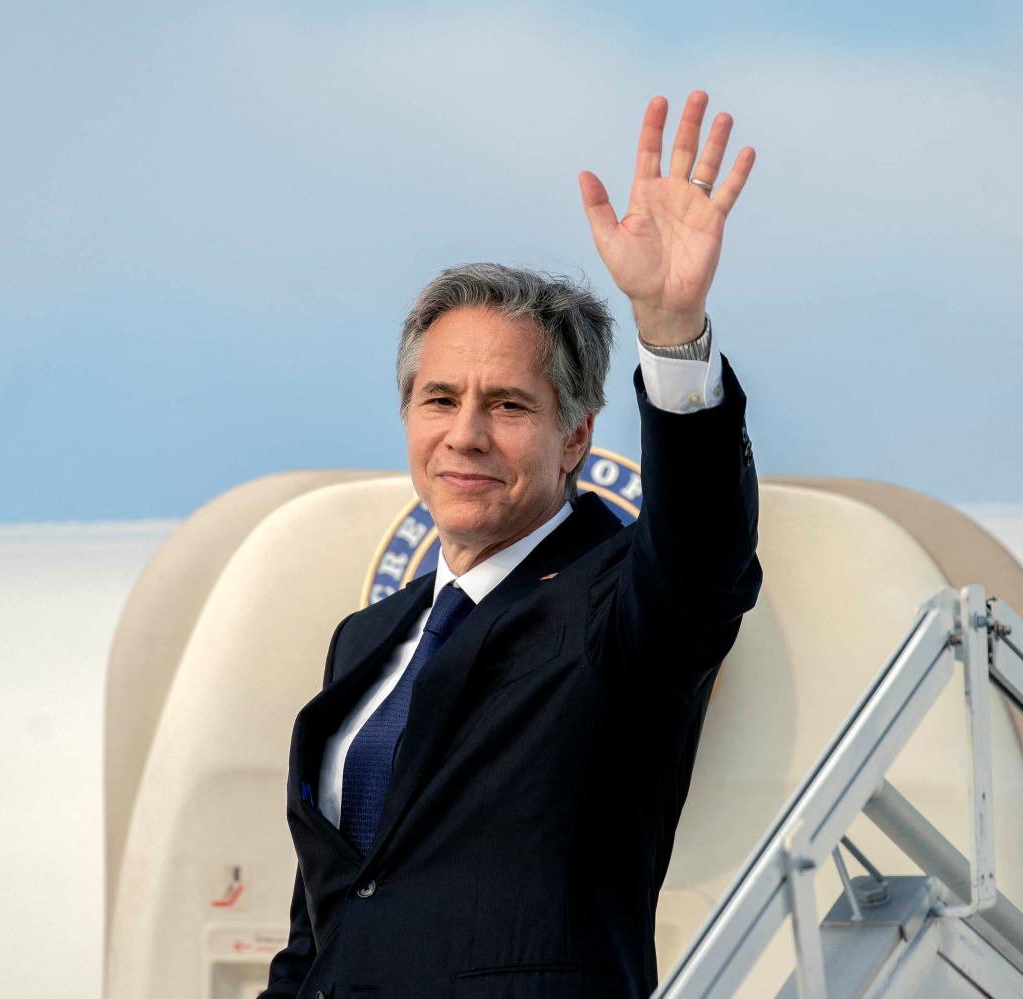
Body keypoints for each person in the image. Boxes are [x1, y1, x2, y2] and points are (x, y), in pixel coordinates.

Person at [259, 90, 763, 999]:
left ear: (575, 437)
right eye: (441, 399)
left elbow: (700, 555)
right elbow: (329, 922)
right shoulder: (367, 639)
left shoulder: (614, 605)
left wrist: (672, 330)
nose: (467, 435)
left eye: (510, 404)